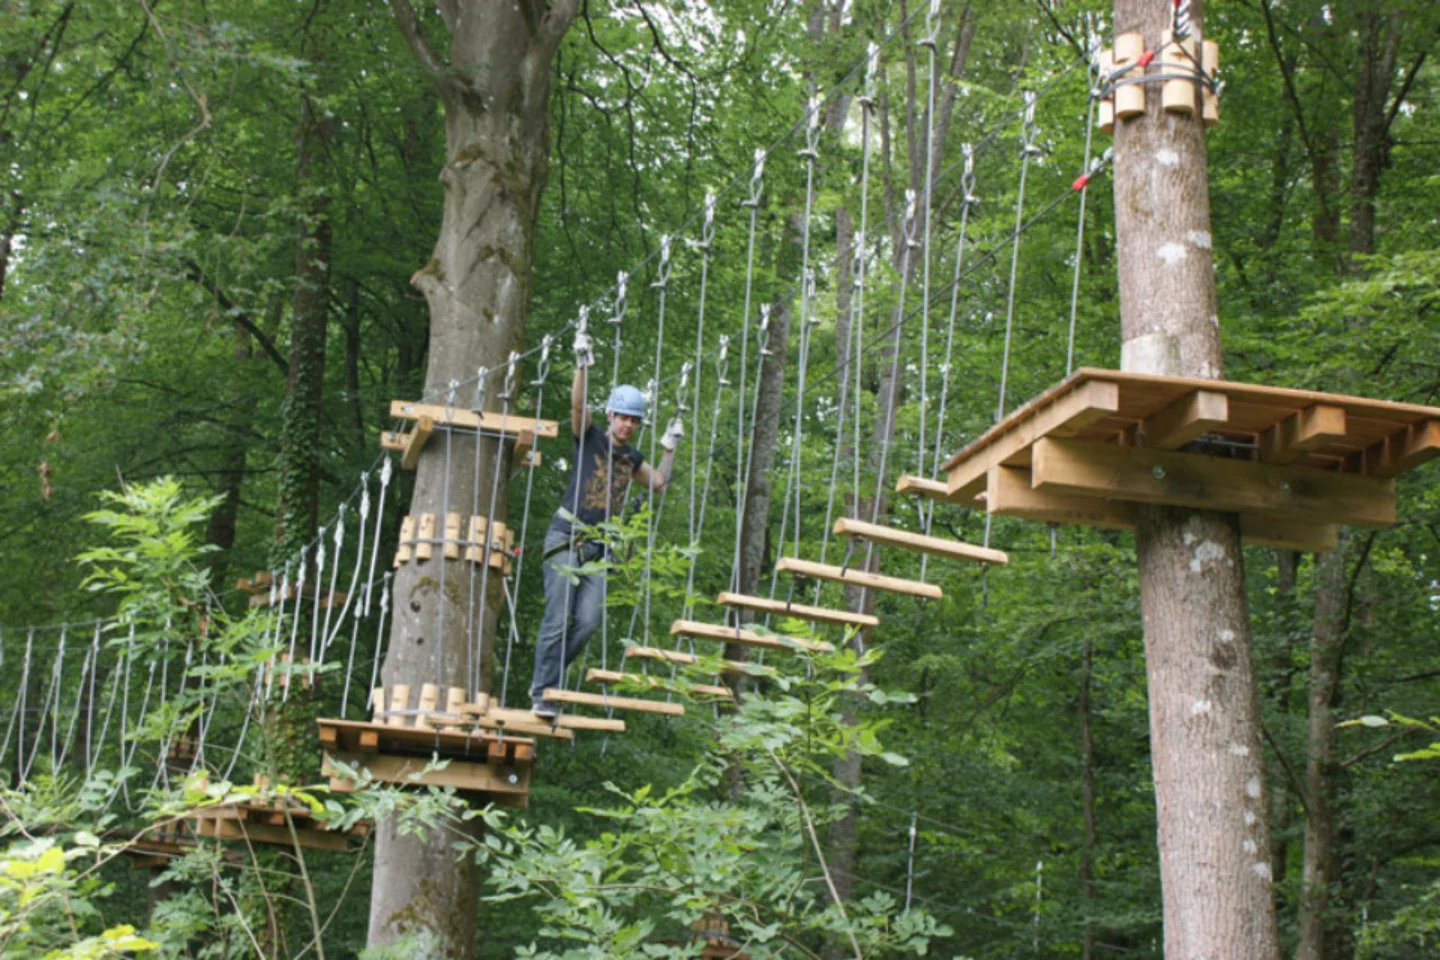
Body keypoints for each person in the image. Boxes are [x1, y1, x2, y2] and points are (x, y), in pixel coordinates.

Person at [529, 329, 681, 719]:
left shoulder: (631, 459)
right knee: (559, 618)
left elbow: (660, 483)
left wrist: (669, 449)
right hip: (565, 537)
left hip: (598, 549)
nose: (627, 425)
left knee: (587, 623)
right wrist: (582, 366)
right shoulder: (590, 437)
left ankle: (549, 684)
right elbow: (578, 407)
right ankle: (543, 691)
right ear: (611, 415)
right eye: (623, 417)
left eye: (634, 420)